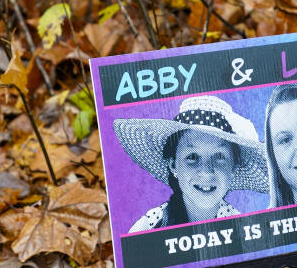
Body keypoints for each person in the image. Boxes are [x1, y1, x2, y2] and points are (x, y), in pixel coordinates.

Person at [113, 96, 269, 232]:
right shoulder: (149, 228)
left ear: (233, 168)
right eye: (192, 156)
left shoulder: (242, 230)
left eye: (219, 156)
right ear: (173, 165)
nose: (206, 172)